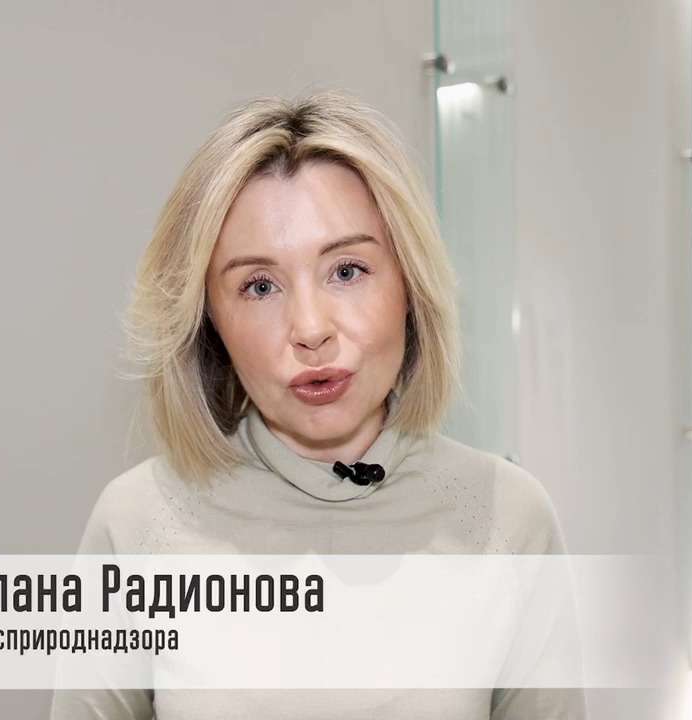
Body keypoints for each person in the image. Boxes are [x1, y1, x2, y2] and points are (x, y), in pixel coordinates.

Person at [50, 87, 587, 719]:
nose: (310, 328)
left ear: (410, 286)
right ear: (208, 320)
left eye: (347, 271)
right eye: (259, 286)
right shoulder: (137, 525)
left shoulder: (509, 520)